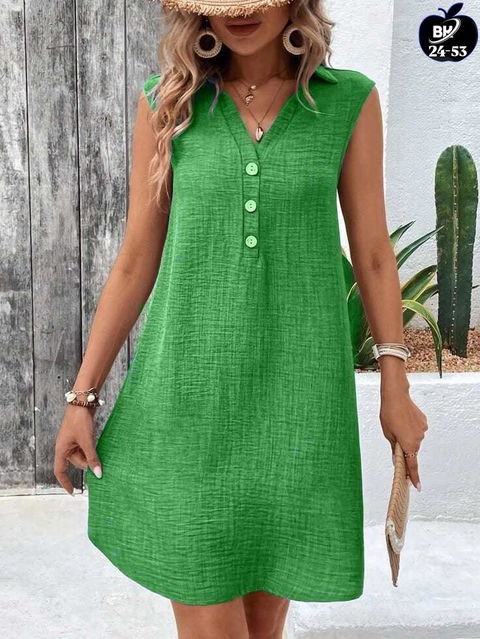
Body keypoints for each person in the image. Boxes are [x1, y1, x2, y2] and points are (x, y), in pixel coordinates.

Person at [54, 0, 429, 637]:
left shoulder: (348, 102)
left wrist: (397, 384)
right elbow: (135, 260)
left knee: (261, 626)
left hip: (298, 410)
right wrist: (81, 396)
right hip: (186, 404)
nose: (239, 12)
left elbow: (372, 254)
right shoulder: (166, 104)